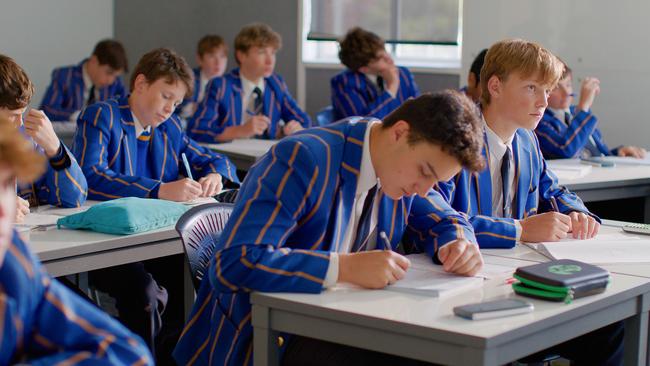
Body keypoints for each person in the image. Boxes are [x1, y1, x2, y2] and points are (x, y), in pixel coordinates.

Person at [174, 91, 487, 365]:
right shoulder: (304, 158)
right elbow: (233, 263)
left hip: (341, 327)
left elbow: (447, 218)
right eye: (425, 172)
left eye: (436, 181)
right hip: (263, 340)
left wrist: (458, 242)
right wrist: (343, 268)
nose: (423, 189)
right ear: (400, 133)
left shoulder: (401, 170)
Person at [436, 38, 622, 365]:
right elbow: (442, 217)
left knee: (610, 327)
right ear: (494, 86)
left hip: (515, 277)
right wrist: (519, 229)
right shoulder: (455, 136)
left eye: (547, 91)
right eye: (532, 88)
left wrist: (576, 212)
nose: (544, 101)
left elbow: (553, 191)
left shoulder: (526, 139)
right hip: (462, 285)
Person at [72, 47, 239, 358]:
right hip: (108, 244)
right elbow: (90, 175)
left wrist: (216, 173)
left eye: (176, 103)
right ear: (140, 84)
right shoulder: (102, 116)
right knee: (146, 295)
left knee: (205, 277)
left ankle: (173, 356)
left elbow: (214, 158)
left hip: (159, 242)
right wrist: (158, 189)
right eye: (165, 97)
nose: (169, 109)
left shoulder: (170, 128)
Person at [0, 121, 153, 365]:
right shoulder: (104, 116)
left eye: (6, 185)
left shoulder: (14, 261)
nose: (2, 209)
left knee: (142, 290)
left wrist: (56, 150)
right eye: (11, 115)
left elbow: (129, 353)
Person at [0, 54, 86, 224]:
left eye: (22, 114)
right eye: (13, 115)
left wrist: (54, 148)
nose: (20, 123)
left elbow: (75, 197)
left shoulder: (26, 137)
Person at [188, 23, 310, 142]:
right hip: (230, 158)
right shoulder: (221, 86)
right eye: (262, 52)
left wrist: (295, 128)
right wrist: (240, 130)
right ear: (241, 56)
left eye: (272, 53)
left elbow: (304, 121)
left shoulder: (276, 83)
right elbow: (197, 131)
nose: (270, 60)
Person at [535, 63, 646, 159]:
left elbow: (595, 155)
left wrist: (617, 153)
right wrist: (583, 107)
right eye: (556, 88)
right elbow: (566, 150)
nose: (566, 92)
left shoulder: (577, 113)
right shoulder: (539, 121)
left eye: (568, 85)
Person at [331, 27, 420, 121]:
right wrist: (391, 89)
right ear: (363, 69)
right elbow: (362, 125)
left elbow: (418, 110)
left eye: (384, 50)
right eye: (379, 58)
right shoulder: (344, 83)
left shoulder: (403, 73)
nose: (389, 58)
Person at [40, 39, 128, 122]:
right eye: (109, 72)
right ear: (94, 61)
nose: (111, 80)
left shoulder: (116, 83)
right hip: (67, 137)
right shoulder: (64, 77)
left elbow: (127, 111)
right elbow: (47, 110)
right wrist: (79, 115)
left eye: (116, 76)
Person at [176, 34, 229, 118]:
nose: (218, 62)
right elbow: (175, 108)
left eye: (222, 56)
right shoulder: (187, 79)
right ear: (200, 59)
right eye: (212, 56)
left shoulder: (230, 85)